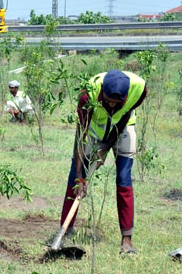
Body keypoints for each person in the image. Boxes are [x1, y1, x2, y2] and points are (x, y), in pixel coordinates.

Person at [59, 69, 147, 255]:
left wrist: (106, 147)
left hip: (123, 128)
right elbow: (80, 136)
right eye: (108, 101)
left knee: (123, 178)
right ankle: (65, 230)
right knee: (76, 176)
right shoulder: (87, 95)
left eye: (117, 102)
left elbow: (125, 113)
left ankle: (127, 241)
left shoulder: (139, 89)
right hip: (93, 131)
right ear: (102, 94)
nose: (112, 105)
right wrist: (79, 178)